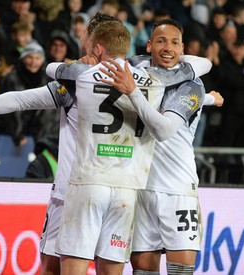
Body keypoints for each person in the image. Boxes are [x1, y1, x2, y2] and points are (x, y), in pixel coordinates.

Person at [0, 13, 213, 275]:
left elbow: (22, 99)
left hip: (82, 186)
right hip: (126, 192)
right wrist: (208, 98)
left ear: (96, 46)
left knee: (58, 268)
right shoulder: (151, 82)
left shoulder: (80, 78)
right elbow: (195, 70)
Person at [44, 19, 210, 274]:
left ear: (183, 48)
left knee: (181, 270)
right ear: (148, 45)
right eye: (161, 41)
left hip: (178, 188)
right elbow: (78, 71)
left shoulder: (192, 82)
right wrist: (82, 64)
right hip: (138, 187)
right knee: (143, 268)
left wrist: (206, 98)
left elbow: (166, 126)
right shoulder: (132, 70)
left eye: (175, 43)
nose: (168, 47)